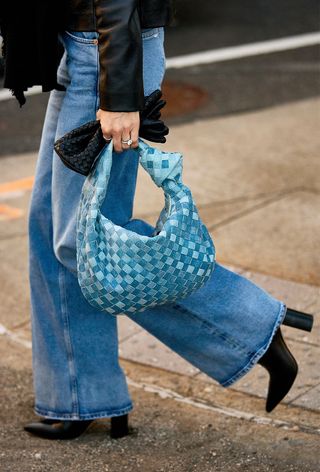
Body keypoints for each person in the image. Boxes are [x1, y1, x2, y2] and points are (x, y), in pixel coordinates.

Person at [0, 0, 313, 440]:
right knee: (52, 227)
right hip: (79, 43)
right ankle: (79, 396)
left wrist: (120, 93)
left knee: (83, 243)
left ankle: (253, 323)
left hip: (107, 53)